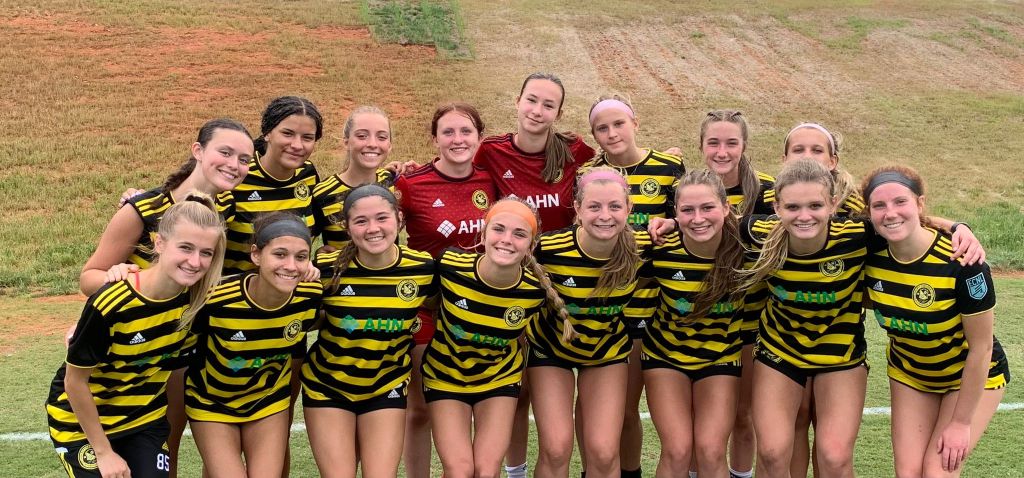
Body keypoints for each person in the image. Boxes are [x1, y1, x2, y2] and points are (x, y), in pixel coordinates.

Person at [734, 159, 983, 478]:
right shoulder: (758, 231)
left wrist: (959, 227)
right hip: (780, 352)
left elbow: (907, 221)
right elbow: (713, 221)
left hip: (840, 356)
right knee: (771, 453)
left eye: (815, 205)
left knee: (834, 457)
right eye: (793, 207)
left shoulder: (858, 234)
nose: (804, 215)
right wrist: (667, 225)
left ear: (833, 204)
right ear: (776, 207)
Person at [76, 119, 252, 477]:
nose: (235, 165)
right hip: (144, 342)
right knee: (154, 436)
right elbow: (89, 276)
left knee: (178, 441)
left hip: (191, 336)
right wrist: (120, 277)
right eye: (226, 152)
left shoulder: (229, 208)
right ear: (198, 151)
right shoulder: (143, 208)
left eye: (245, 159)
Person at [47, 193, 226, 478]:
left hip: (144, 420)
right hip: (82, 423)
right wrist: (104, 453)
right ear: (160, 243)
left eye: (206, 252)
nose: (195, 261)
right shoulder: (113, 301)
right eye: (186, 248)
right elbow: (74, 381)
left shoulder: (198, 301)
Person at [862, 166, 1009, 477]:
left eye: (900, 202)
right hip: (911, 373)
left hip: (969, 375)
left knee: (937, 472)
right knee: (908, 473)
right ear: (869, 212)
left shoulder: (963, 262)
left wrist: (960, 423)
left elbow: (981, 349)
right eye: (879, 205)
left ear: (920, 204)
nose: (890, 213)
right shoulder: (870, 251)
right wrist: (957, 223)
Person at [301, 185, 437, 478]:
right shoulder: (324, 269)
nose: (372, 228)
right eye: (360, 221)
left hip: (384, 386)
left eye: (381, 218)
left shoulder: (422, 269)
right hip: (329, 387)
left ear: (399, 219)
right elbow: (300, 316)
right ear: (347, 228)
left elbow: (450, 305)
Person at [420, 198, 561, 478]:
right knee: (460, 470)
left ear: (531, 245)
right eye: (499, 229)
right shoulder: (449, 266)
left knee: (486, 470)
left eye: (519, 234)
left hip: (499, 379)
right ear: (483, 234)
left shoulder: (535, 291)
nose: (507, 240)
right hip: (444, 376)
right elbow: (425, 302)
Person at [393, 102, 498, 478]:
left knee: (480, 403)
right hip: (428, 308)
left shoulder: (491, 180)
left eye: (466, 131)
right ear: (434, 139)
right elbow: (374, 216)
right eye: (448, 132)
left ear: (479, 138)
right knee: (420, 410)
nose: (458, 139)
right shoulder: (409, 182)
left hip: (482, 310)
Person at [584, 94, 684, 477]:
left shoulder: (669, 167)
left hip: (656, 307)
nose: (612, 133)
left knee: (642, 411)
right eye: (602, 128)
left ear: (635, 122)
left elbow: (687, 222)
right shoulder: (587, 176)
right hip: (609, 309)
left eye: (618, 124)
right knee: (615, 411)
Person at [528, 167, 651, 478]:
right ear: (578, 209)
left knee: (604, 452)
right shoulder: (548, 248)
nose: (604, 215)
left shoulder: (644, 249)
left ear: (629, 209)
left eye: (614, 206)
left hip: (605, 352)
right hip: (550, 349)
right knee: (556, 449)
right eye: (594, 207)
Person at [185, 212, 322, 478]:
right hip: (211, 403)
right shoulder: (214, 298)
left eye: (301, 257)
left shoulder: (310, 295)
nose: (291, 266)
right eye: (280, 254)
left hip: (268, 402)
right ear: (256, 255)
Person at [641, 169, 745, 478]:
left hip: (721, 356)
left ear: (726, 208)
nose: (698, 218)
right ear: (675, 213)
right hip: (665, 357)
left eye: (707, 208)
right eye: (687, 210)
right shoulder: (658, 249)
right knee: (677, 450)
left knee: (711, 451)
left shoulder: (747, 247)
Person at [697, 110, 772, 478]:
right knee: (702, 427)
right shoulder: (689, 188)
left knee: (744, 415)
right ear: (701, 146)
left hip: (752, 321)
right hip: (702, 323)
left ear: (744, 146)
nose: (722, 151)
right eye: (713, 142)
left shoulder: (770, 191)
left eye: (731, 143)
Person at [225, 96, 323, 275]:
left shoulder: (307, 174)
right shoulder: (237, 175)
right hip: (235, 294)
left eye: (307, 138)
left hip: (288, 288)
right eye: (287, 133)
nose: (297, 145)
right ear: (267, 133)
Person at [313, 106, 397, 250]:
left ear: (389, 145)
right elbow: (302, 242)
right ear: (346, 141)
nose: (372, 144)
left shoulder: (391, 180)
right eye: (362, 136)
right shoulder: (322, 194)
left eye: (382, 137)